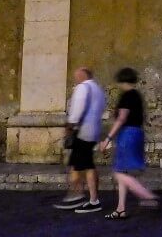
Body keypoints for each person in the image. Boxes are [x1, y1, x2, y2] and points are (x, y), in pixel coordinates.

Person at [99, 67, 158, 220]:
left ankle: (146, 195)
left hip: (128, 135)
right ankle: (120, 209)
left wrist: (107, 139)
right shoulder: (137, 95)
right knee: (123, 171)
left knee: (118, 172)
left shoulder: (127, 95)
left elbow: (121, 119)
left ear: (123, 80)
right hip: (137, 133)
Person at [55, 66, 106, 213]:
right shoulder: (98, 89)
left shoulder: (83, 88)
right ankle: (80, 196)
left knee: (83, 165)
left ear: (83, 75)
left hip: (82, 132)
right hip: (93, 131)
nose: (75, 78)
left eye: (77, 76)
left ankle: (81, 197)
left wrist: (69, 126)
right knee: (82, 164)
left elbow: (77, 111)